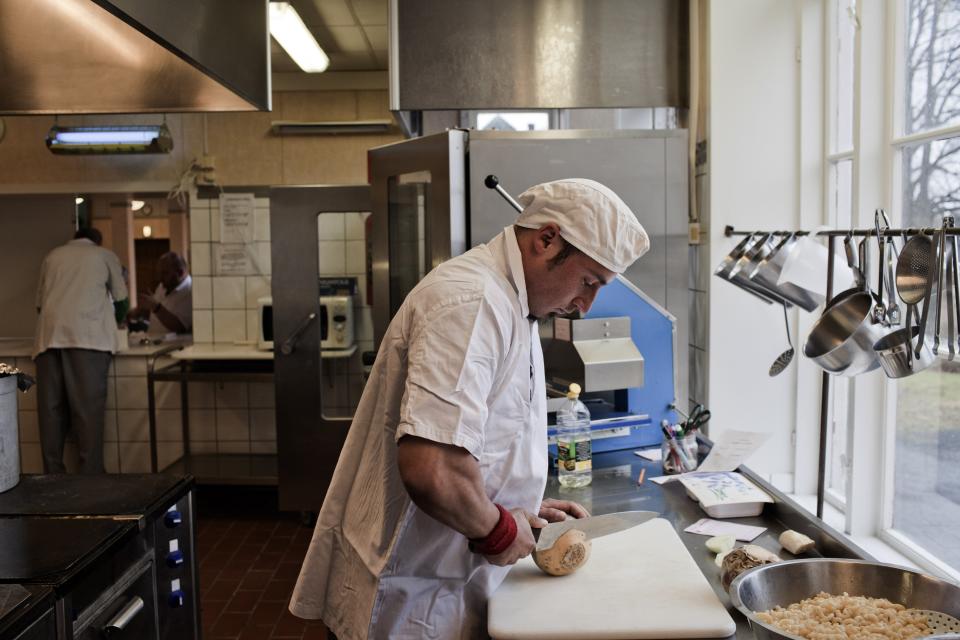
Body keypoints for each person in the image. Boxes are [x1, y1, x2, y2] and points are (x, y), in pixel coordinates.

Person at [289, 178, 650, 639]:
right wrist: (498, 530)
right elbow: (431, 468)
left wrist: (519, 501)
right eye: (587, 282)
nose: (584, 305)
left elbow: (475, 438)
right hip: (411, 599)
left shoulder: (512, 303)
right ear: (546, 239)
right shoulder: (473, 302)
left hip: (444, 583)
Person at [33, 227, 129, 474]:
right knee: (87, 413)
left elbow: (40, 304)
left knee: (51, 412)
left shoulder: (53, 255)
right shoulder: (104, 255)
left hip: (49, 338)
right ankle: (91, 477)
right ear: (97, 240)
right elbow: (121, 300)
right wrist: (118, 321)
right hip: (89, 340)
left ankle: (52, 476)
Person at [127, 251, 192, 335]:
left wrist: (155, 306)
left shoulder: (190, 291)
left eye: (165, 273)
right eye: (159, 273)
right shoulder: (163, 285)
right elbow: (157, 313)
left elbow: (180, 326)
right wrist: (139, 312)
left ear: (180, 272)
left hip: (175, 345)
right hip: (155, 340)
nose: (160, 278)